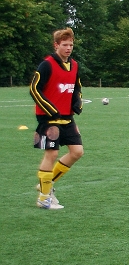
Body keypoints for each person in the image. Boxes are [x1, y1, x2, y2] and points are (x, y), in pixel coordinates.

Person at [29, 27, 84, 210]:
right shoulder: (47, 64)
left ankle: (46, 182)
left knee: (77, 152)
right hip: (49, 118)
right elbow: (34, 89)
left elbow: (76, 87)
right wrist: (50, 110)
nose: (68, 48)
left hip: (67, 118)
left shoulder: (74, 65)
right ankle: (44, 197)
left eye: (71, 45)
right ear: (56, 45)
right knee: (51, 154)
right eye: (65, 45)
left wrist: (77, 102)